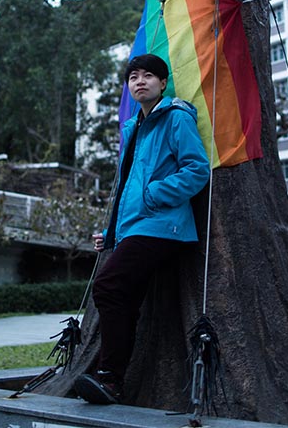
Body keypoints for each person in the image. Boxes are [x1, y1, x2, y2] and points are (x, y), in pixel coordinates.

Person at [73, 54, 211, 405]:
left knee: (108, 285)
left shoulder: (176, 117)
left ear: (163, 83)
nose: (139, 81)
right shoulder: (133, 128)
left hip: (164, 225)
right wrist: (112, 233)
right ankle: (112, 381)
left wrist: (154, 195)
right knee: (123, 299)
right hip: (136, 228)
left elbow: (197, 169)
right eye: (133, 76)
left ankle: (109, 376)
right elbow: (124, 188)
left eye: (148, 75)